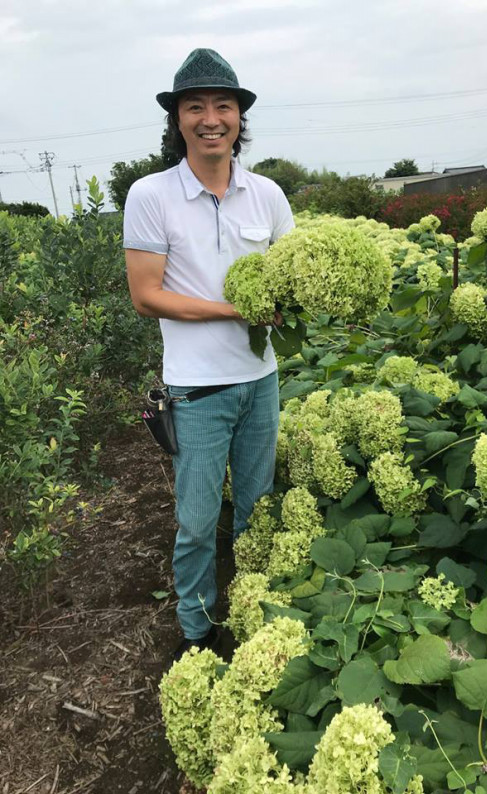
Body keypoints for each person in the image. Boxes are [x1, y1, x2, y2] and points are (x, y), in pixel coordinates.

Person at [123, 49, 294, 660]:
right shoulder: (151, 195)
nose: (211, 118)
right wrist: (234, 309)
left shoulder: (267, 194)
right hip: (196, 390)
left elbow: (290, 276)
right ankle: (196, 632)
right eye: (195, 107)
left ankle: (252, 614)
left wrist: (301, 299)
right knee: (197, 524)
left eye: (224, 105)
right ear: (178, 121)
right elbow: (147, 296)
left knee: (257, 511)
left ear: (239, 117)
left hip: (262, 380)